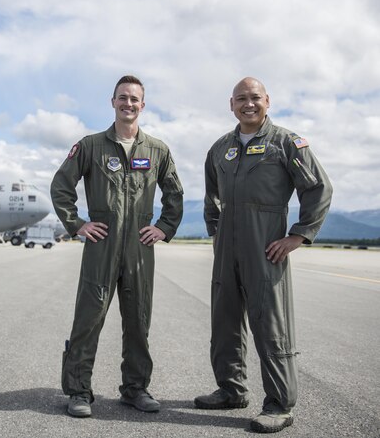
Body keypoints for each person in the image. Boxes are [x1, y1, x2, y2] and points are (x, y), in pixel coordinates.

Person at [196, 77, 332, 433]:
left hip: (265, 244)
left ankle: (279, 404)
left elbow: (318, 188)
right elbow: (211, 197)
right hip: (227, 244)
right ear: (231, 104)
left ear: (267, 101)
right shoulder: (220, 148)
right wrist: (215, 232)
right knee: (224, 321)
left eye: (255, 97)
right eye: (241, 98)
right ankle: (230, 389)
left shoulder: (286, 143)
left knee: (270, 323)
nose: (248, 104)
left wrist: (299, 235)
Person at [50, 75, 184, 418]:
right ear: (113, 102)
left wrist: (164, 228)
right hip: (102, 246)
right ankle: (79, 391)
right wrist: (78, 224)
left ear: (142, 105)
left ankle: (135, 389)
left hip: (140, 248)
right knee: (89, 319)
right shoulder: (91, 146)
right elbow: (61, 186)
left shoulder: (158, 150)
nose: (128, 103)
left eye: (134, 99)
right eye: (122, 97)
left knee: (138, 320)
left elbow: (175, 196)